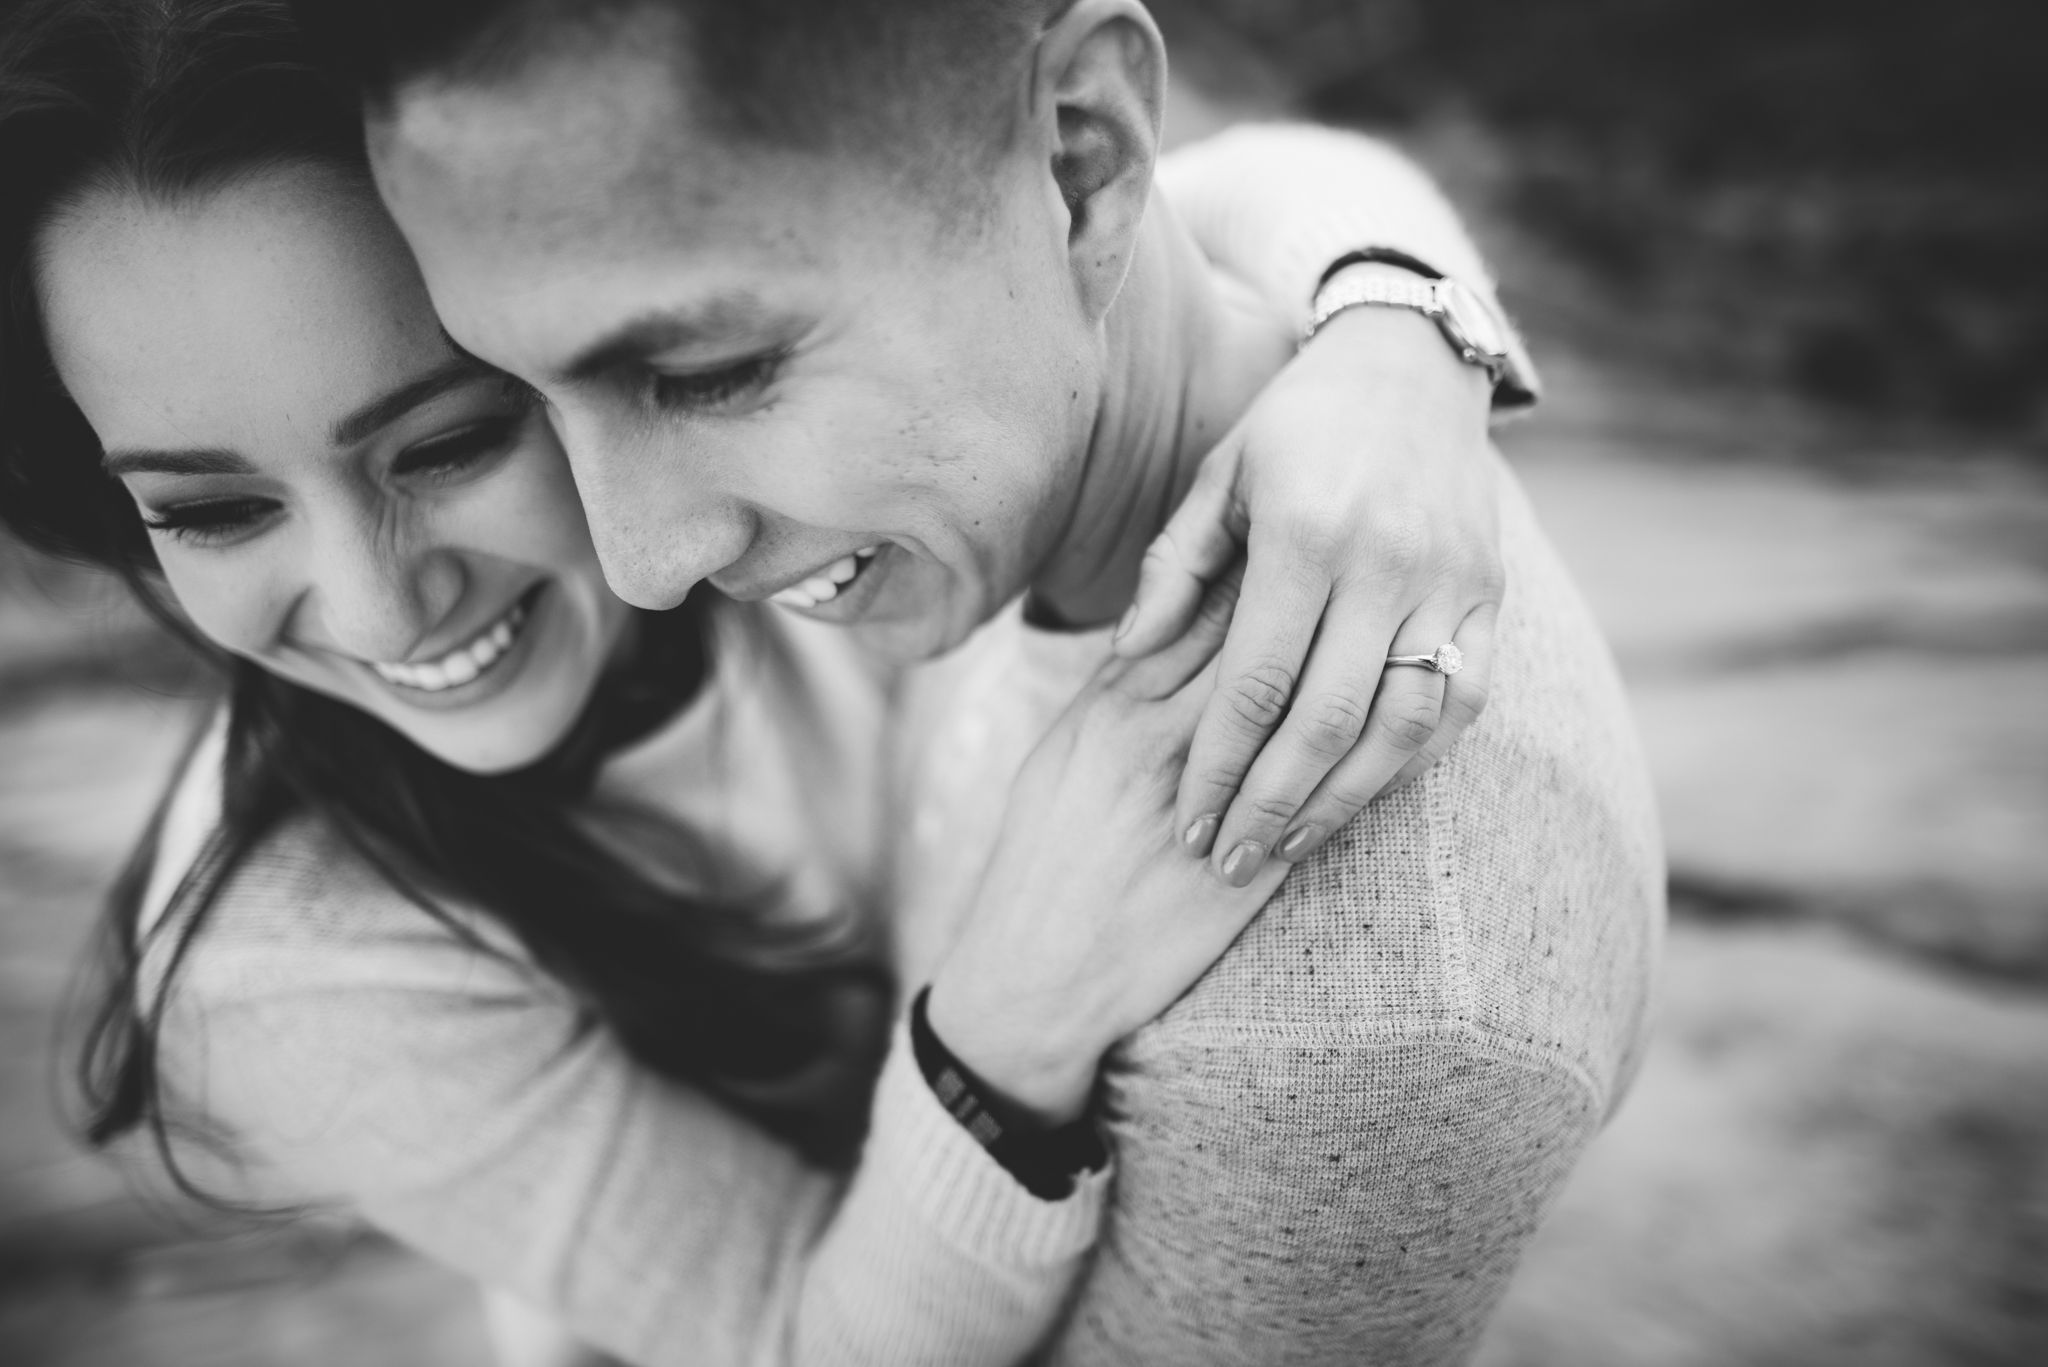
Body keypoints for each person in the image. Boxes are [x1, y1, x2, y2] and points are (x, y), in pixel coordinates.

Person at [0, 3, 1557, 1364]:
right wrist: (1006, 1014)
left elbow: (1156, 186)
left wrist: (1396, 342)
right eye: (210, 508)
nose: (374, 604)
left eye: (452, 441)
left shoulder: (772, 491)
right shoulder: (287, 965)